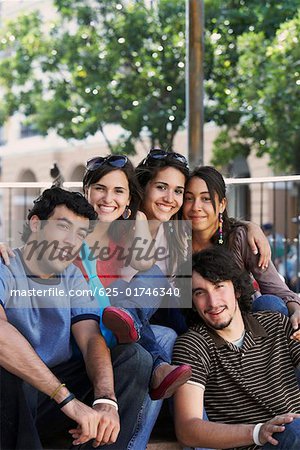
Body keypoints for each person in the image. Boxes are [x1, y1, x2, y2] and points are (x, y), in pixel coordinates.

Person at [0, 187, 153, 450]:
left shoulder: (72, 276)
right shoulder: (6, 265)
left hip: (54, 397)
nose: (71, 241)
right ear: (35, 224)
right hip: (16, 401)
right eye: (63, 227)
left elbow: (91, 338)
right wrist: (66, 399)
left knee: (134, 358)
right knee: (12, 375)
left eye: (80, 234)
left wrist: (106, 400)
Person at [173, 247, 300, 450]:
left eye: (219, 287)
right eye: (200, 293)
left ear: (237, 290)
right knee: (293, 430)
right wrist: (258, 432)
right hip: (257, 444)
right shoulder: (193, 345)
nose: (213, 302)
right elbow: (188, 428)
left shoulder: (275, 323)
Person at [182, 166, 300, 334]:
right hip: (197, 322)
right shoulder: (176, 239)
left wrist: (297, 310)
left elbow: (277, 289)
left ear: (222, 204)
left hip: (244, 323)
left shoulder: (240, 238)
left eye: (206, 199)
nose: (196, 207)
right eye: (189, 198)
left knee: (270, 304)